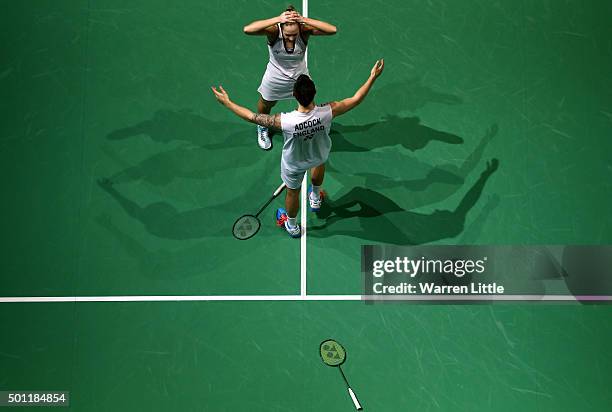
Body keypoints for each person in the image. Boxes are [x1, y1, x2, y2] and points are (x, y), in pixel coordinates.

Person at [212, 59, 385, 238]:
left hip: (294, 165)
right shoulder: (328, 112)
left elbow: (251, 116)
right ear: (314, 92)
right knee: (319, 165)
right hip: (318, 155)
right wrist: (372, 77)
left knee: (292, 193)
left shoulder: (284, 121)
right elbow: (355, 100)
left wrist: (228, 103)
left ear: (294, 95)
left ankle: (292, 225)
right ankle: (316, 198)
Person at [243, 5, 337, 150]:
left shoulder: (304, 32)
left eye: (294, 34)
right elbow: (248, 29)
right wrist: (277, 19)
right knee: (267, 103)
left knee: (308, 102)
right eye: (288, 35)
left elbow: (332, 30)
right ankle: (262, 126)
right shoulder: (274, 32)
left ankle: (311, 128)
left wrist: (304, 20)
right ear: (281, 28)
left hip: (300, 76)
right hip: (275, 76)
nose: (292, 38)